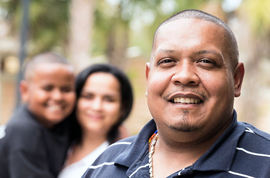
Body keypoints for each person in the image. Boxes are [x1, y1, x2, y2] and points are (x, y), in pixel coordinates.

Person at [81, 9, 270, 178]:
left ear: (236, 79)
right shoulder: (105, 163)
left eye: (205, 61)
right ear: (148, 78)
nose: (184, 76)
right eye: (167, 61)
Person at [0, 52, 76, 178]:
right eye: (47, 88)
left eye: (66, 89)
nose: (57, 97)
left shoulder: (63, 122)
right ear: (25, 91)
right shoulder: (24, 131)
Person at [58, 64, 133, 178]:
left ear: (122, 107)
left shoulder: (124, 162)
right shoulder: (55, 140)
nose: (96, 107)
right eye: (88, 96)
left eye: (109, 99)